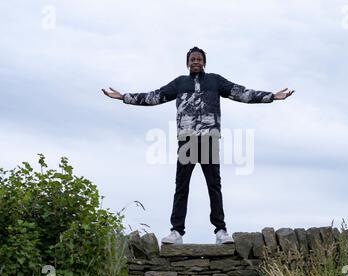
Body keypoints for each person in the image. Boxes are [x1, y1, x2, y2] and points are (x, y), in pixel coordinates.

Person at [102, 46, 294, 245]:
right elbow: (154, 96)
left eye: (199, 59)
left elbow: (241, 93)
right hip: (186, 141)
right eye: (192, 59)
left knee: (214, 186)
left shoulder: (215, 81)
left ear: (204, 63)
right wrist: (124, 97)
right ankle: (176, 232)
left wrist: (271, 96)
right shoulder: (179, 83)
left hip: (209, 139)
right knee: (181, 187)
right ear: (187, 63)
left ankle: (221, 231)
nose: (195, 62)